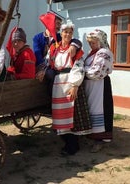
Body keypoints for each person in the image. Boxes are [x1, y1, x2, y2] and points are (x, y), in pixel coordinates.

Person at [48, 23, 92, 155]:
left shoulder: (75, 50)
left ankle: (73, 146)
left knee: (71, 117)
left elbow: (79, 66)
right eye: (65, 32)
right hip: (58, 84)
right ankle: (66, 142)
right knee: (60, 115)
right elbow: (48, 62)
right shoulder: (54, 48)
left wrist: (75, 86)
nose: (67, 34)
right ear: (60, 33)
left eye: (70, 32)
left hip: (70, 82)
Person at [83, 29, 114, 152]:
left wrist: (82, 70)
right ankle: (93, 135)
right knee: (92, 109)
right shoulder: (92, 53)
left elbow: (97, 72)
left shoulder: (104, 53)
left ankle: (100, 140)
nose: (91, 44)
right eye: (90, 42)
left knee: (100, 109)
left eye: (94, 42)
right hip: (91, 86)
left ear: (100, 41)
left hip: (100, 86)